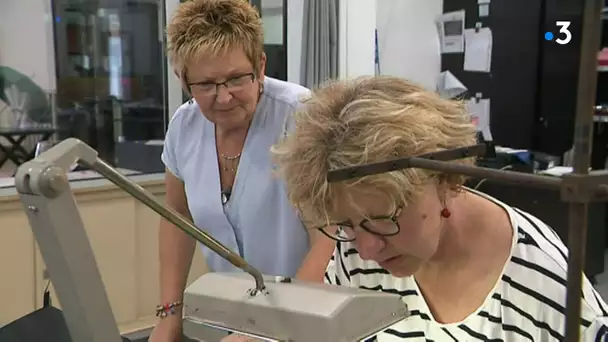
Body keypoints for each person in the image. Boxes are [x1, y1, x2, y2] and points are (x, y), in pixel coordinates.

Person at [271, 76, 608, 341]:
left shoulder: (549, 290)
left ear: (446, 180)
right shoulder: (354, 255)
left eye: (382, 219)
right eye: (347, 225)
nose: (367, 249)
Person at [149, 1, 333, 341]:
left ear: (260, 65)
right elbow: (177, 214)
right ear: (183, 79)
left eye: (236, 79)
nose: (223, 97)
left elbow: (328, 239)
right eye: (205, 85)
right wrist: (169, 313)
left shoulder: (301, 117)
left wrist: (278, 329)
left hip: (307, 318)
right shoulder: (184, 127)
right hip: (232, 319)